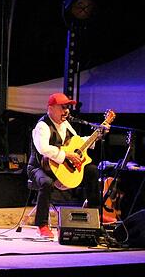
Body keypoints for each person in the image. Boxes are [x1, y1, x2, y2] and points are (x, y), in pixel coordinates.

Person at [27, 92, 109, 239]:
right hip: (39, 167)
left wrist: (97, 134)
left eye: (68, 107)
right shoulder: (42, 126)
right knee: (46, 182)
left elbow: (77, 141)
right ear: (51, 108)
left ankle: (93, 215)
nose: (66, 111)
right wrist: (66, 155)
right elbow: (43, 149)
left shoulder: (65, 124)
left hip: (60, 167)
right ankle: (42, 224)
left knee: (92, 171)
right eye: (63, 107)